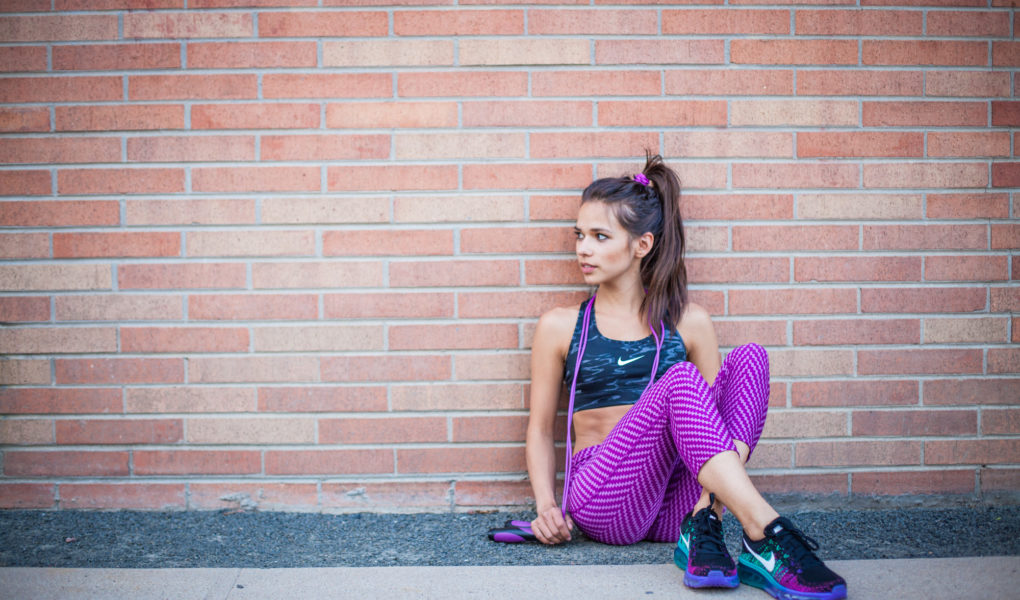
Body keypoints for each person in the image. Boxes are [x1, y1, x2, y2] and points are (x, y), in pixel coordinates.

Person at [525, 154, 847, 600]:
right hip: (605, 500)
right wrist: (545, 505)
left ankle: (704, 524)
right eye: (579, 235)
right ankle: (767, 532)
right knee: (680, 379)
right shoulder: (562, 325)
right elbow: (541, 429)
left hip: (679, 502)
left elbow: (716, 425)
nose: (583, 248)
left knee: (751, 358)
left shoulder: (689, 322)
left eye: (600, 236)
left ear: (642, 244)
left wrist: (702, 501)